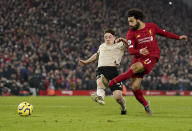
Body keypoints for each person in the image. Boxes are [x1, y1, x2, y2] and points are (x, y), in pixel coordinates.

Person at [106, 8, 188, 115]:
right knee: (135, 87)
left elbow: (164, 33)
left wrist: (179, 37)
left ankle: (112, 82)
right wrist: (139, 50)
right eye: (129, 22)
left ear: (138, 19)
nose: (130, 24)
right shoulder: (131, 33)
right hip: (139, 57)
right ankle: (146, 105)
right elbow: (131, 50)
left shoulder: (151, 26)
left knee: (134, 68)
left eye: (131, 21)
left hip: (152, 56)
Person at [79, 29, 127, 115]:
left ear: (114, 37)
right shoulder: (102, 46)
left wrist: (123, 40)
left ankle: (123, 107)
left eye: (110, 37)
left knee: (118, 97)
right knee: (100, 81)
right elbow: (97, 55)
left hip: (113, 72)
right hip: (101, 69)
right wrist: (86, 62)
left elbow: (130, 46)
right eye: (106, 37)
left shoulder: (119, 45)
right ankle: (100, 97)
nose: (107, 39)